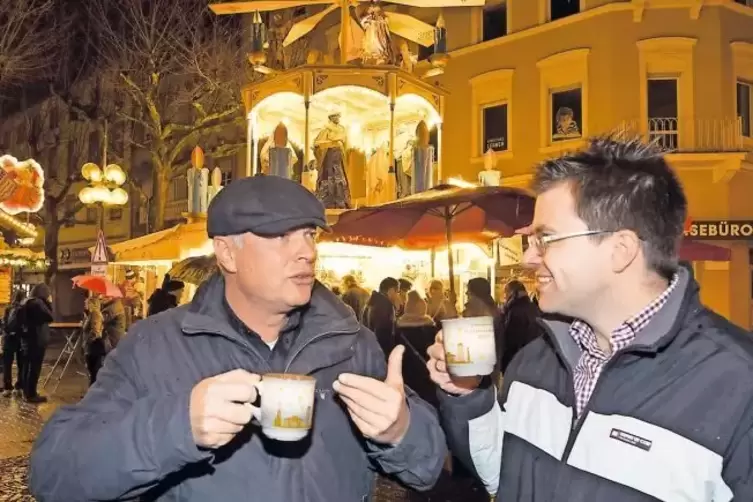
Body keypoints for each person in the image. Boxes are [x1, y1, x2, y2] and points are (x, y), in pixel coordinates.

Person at [30, 175, 446, 502]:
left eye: (310, 235)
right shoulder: (154, 345)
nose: (306, 252)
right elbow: (54, 473)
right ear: (227, 253)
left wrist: (401, 431)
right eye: (281, 235)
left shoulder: (351, 342)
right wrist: (178, 426)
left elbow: (427, 468)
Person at [427, 136, 753, 500]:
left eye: (546, 239)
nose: (528, 259)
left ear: (621, 250)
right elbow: (500, 473)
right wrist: (466, 395)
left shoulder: (739, 384)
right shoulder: (535, 359)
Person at [497, 280, 540, 374]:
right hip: (531, 358)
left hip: (517, 360)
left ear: (512, 292)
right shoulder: (533, 308)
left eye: (506, 292)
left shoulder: (515, 310)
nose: (505, 296)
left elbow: (511, 339)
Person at [21, 283, 53, 403]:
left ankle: (26, 391)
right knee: (35, 367)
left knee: (27, 366)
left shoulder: (27, 301)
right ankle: (32, 394)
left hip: (27, 339)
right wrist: (49, 302)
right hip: (37, 340)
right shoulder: (38, 303)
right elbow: (50, 316)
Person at [363, 277, 400, 357]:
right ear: (391, 290)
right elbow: (384, 333)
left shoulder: (371, 302)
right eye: (397, 292)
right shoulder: (386, 305)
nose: (397, 295)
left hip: (370, 348)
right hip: (381, 351)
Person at [2, 290, 27, 397]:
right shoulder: (23, 309)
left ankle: (7, 388)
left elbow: (3, 323)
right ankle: (19, 387)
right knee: (21, 364)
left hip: (8, 339)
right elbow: (25, 325)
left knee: (7, 364)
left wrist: (8, 332)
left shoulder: (8, 308)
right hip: (19, 339)